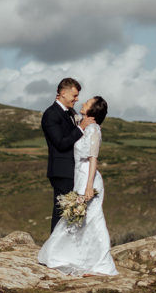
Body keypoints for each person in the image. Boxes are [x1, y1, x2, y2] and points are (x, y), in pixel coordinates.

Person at [37, 96, 117, 277]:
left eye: (87, 102)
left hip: (89, 178)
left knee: (93, 219)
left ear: (93, 110)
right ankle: (78, 258)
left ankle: (102, 264)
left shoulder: (94, 129)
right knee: (78, 220)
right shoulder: (82, 124)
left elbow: (93, 159)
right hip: (79, 177)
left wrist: (89, 186)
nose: (82, 102)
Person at [41, 78, 93, 231]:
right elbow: (61, 143)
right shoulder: (51, 114)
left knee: (71, 213)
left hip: (73, 169)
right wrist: (81, 127)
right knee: (61, 213)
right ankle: (53, 249)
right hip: (61, 170)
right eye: (74, 96)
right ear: (63, 93)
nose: (76, 99)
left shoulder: (71, 112)